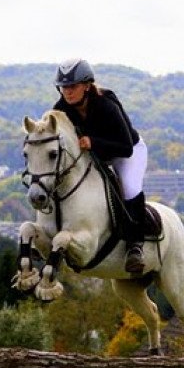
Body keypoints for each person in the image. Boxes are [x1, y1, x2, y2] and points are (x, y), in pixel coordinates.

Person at [53, 58, 148, 274]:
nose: (67, 92)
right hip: (95, 154)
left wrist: (94, 142)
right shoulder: (61, 109)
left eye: (72, 86)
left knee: (130, 187)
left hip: (127, 152)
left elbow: (125, 148)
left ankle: (135, 246)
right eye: (63, 87)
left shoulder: (107, 105)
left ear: (87, 85)